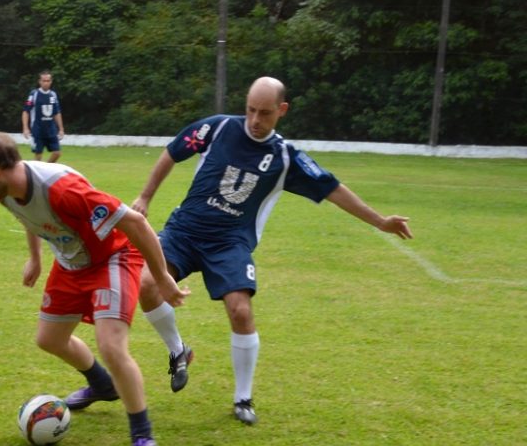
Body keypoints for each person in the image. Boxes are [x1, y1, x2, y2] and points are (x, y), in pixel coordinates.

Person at [131, 76, 413, 425]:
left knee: (240, 311)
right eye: (250, 110)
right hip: (184, 230)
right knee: (144, 285)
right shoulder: (217, 128)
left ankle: (243, 398)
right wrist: (145, 196)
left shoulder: (286, 157)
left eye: (264, 113)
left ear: (282, 110)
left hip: (230, 243)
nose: (254, 120)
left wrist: (379, 220)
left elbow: (333, 188)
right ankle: (178, 351)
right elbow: (173, 152)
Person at [0, 130, 189, 446]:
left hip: (112, 258)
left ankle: (142, 435)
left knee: (111, 346)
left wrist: (161, 277)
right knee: (49, 339)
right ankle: (102, 385)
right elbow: (30, 215)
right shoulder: (6, 189)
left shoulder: (64, 190)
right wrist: (36, 258)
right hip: (71, 263)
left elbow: (136, 223)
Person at [21, 71, 65, 162]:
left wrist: (61, 128)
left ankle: (46, 168)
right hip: (38, 129)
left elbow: (56, 112)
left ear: (51, 81)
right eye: (44, 81)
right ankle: (34, 174)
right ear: (39, 82)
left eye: (48, 81)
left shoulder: (53, 95)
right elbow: (26, 111)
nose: (46, 83)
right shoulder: (34, 94)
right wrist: (25, 128)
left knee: (57, 153)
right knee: (38, 156)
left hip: (51, 129)